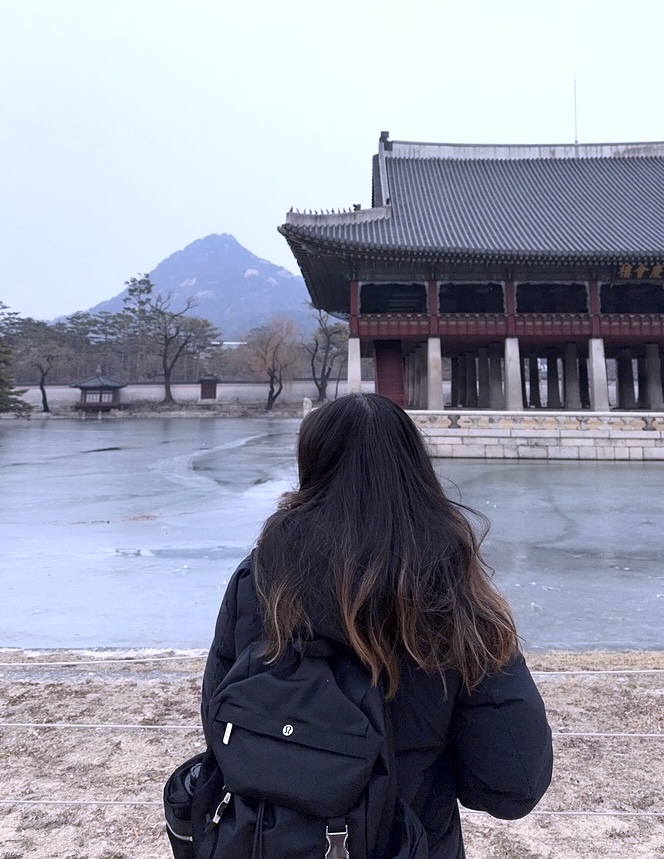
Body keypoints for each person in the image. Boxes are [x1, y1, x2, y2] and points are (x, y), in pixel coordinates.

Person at [201, 393, 553, 858]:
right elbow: (512, 782)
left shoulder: (261, 578)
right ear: (415, 467)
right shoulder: (451, 590)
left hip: (270, 839)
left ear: (313, 465)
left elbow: (219, 719)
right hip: (411, 841)